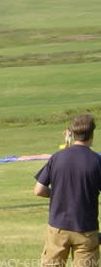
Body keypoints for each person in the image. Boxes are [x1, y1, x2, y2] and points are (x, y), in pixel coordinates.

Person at [34, 114, 101, 266]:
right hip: (86, 229)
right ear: (92, 134)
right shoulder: (97, 161)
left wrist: (57, 194)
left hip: (58, 228)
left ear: (73, 133)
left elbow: (39, 190)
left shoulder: (57, 158)